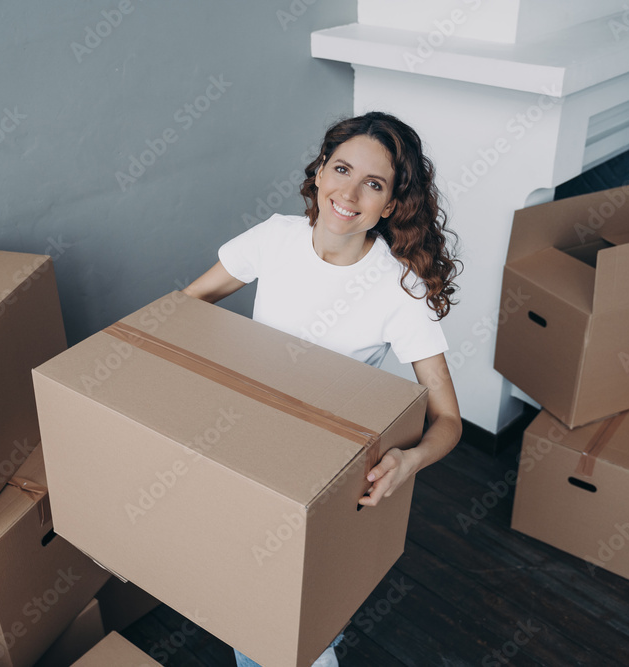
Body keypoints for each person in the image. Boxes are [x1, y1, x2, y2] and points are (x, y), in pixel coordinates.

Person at [181, 111, 463, 667]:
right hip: (245, 439)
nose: (349, 194)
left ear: (391, 205)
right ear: (319, 172)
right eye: (341, 169)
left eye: (374, 184)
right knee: (251, 602)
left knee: (280, 616)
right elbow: (186, 307)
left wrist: (408, 461)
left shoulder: (399, 289)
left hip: (327, 467)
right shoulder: (275, 238)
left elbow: (449, 421)